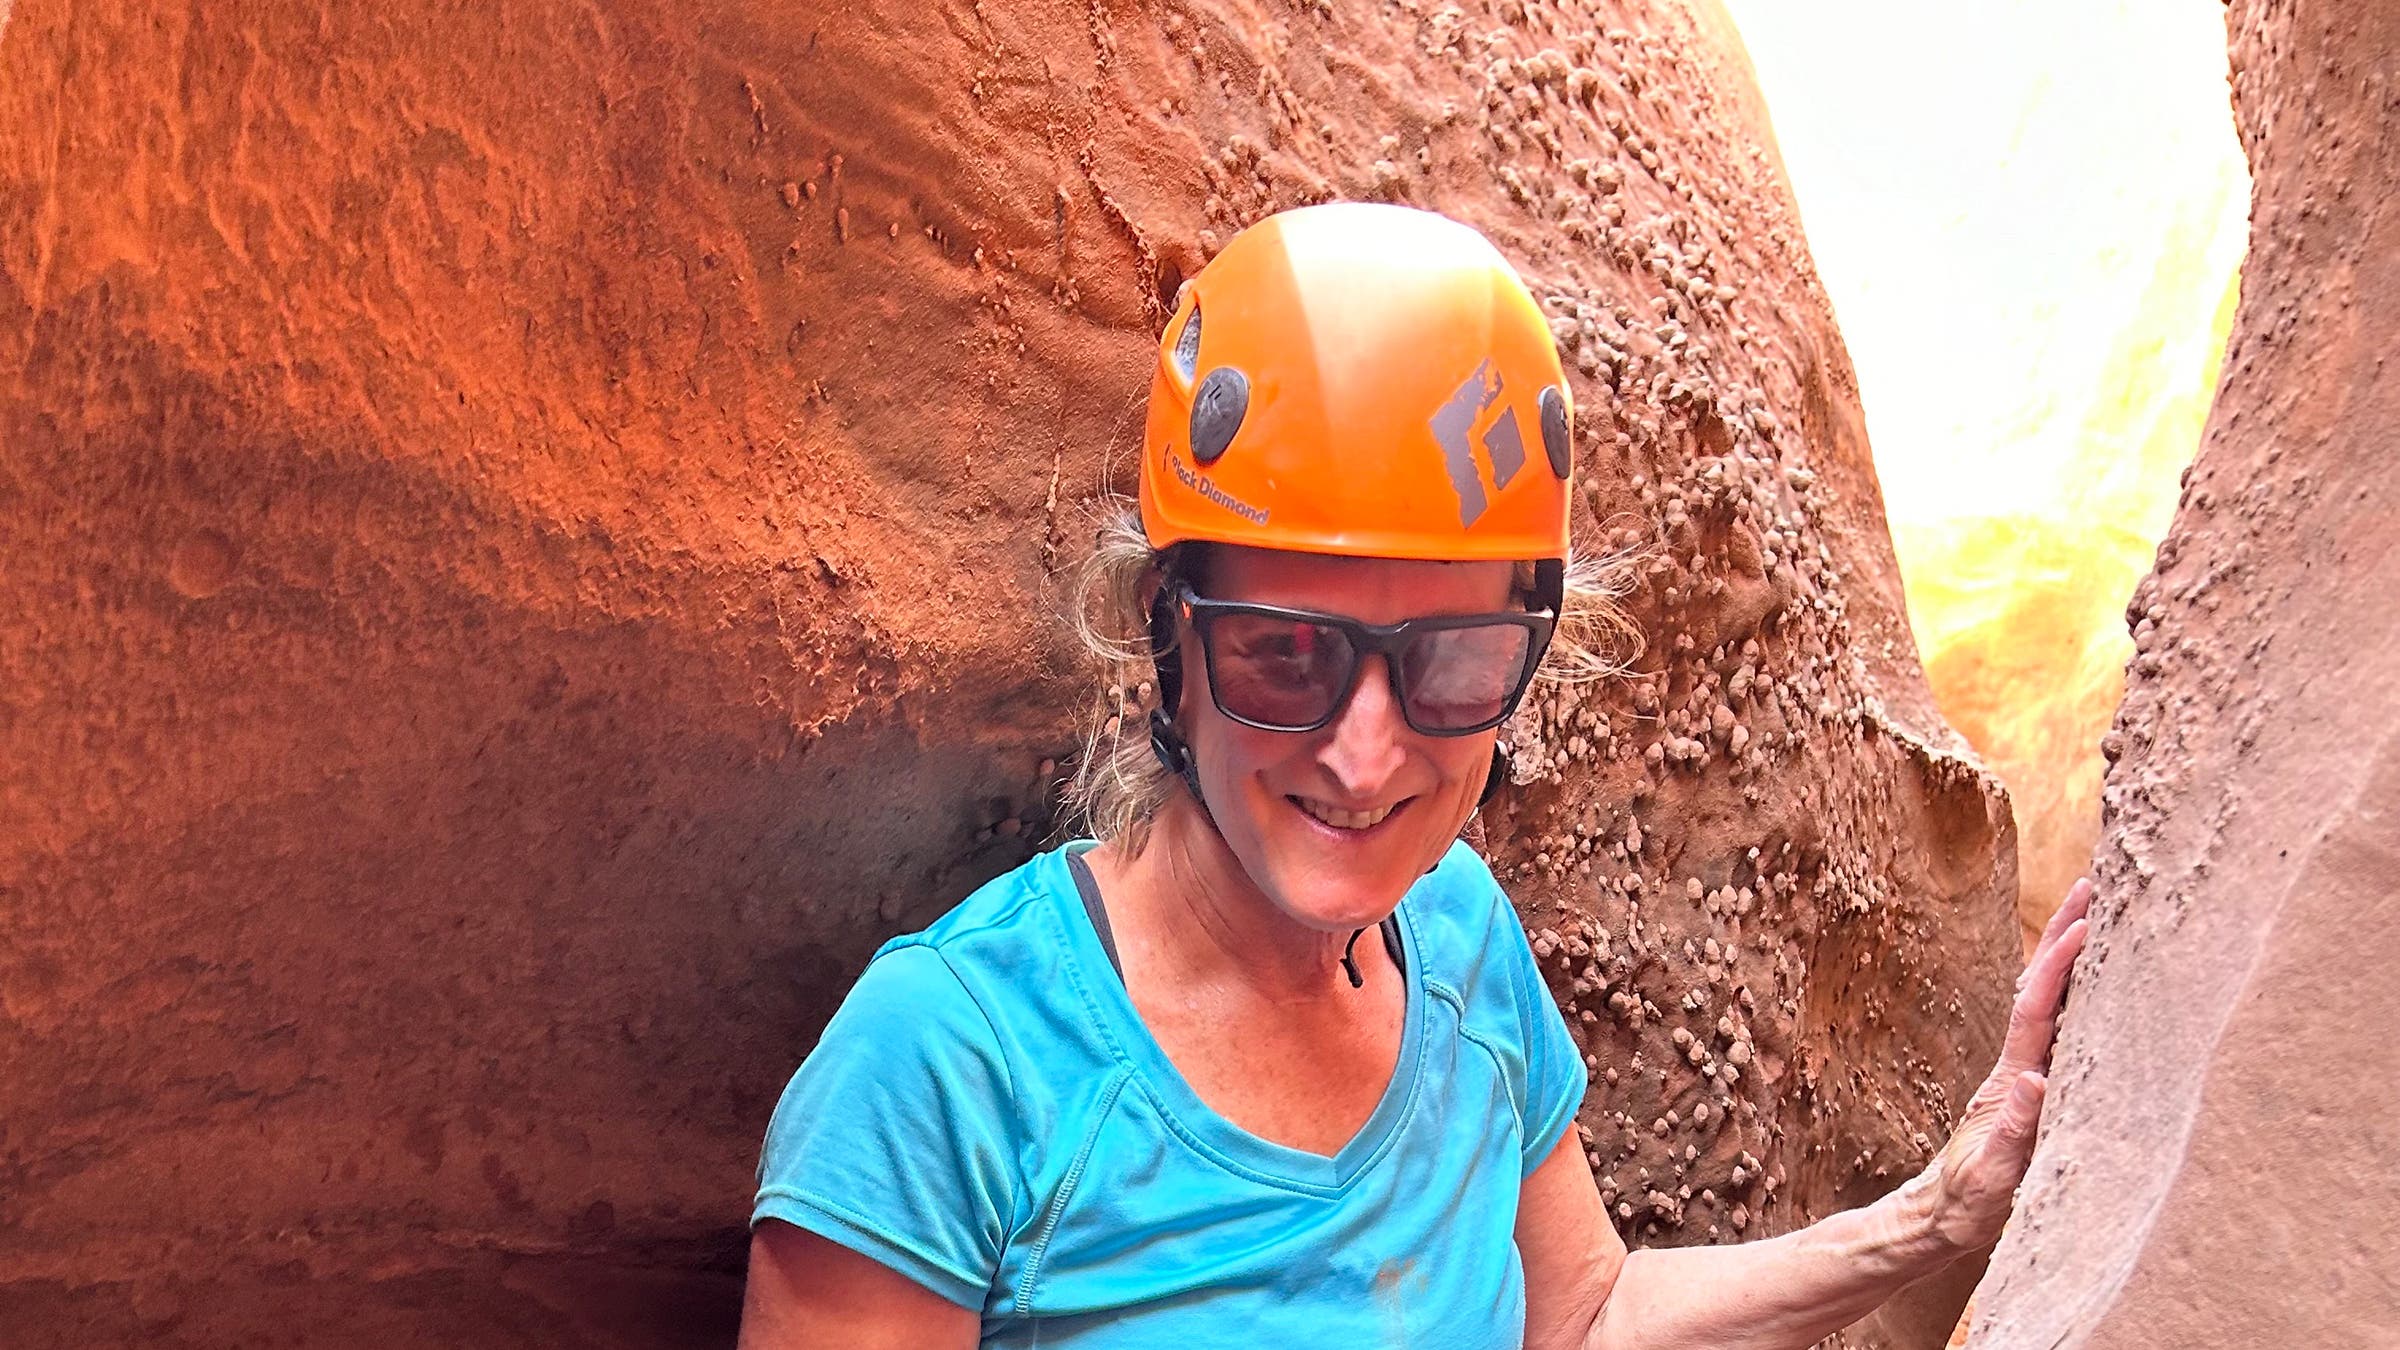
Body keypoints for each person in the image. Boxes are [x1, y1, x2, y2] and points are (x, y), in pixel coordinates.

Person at [737, 203, 2089, 1349]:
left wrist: (1943, 1211)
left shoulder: (1456, 939)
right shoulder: (948, 1065)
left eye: (1451, 663)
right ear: (1168, 637)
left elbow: (1586, 1316)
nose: (1367, 752)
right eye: (1285, 656)